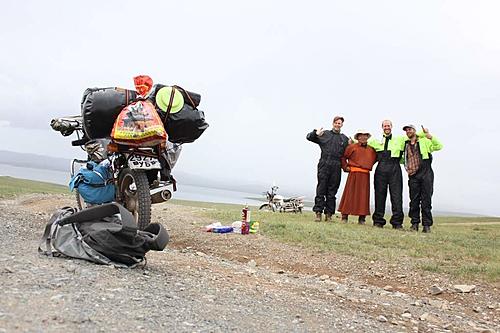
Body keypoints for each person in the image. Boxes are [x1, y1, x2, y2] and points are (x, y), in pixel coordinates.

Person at [307, 116, 349, 222]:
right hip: (324, 163)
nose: (337, 125)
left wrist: (352, 144)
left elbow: (349, 152)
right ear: (333, 123)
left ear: (342, 125)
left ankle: (329, 214)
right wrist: (315, 133)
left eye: (339, 123)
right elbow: (309, 137)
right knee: (321, 189)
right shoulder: (325, 134)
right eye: (336, 123)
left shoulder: (344, 138)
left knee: (332, 191)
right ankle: (318, 213)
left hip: (336, 166)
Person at [402, 125, 443, 233]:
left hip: (426, 172)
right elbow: (403, 159)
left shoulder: (425, 141)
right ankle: (414, 224)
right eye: (406, 130)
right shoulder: (405, 144)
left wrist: (429, 135)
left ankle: (426, 225)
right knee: (414, 200)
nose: (408, 131)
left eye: (410, 129)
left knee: (426, 199)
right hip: (413, 174)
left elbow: (439, 146)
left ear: (415, 131)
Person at [368, 120, 405, 229]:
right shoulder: (376, 141)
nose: (387, 127)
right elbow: (362, 142)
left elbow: (414, 136)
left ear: (392, 127)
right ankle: (378, 221)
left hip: (395, 167)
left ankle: (397, 223)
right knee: (379, 195)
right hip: (381, 168)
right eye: (385, 126)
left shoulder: (400, 139)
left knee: (396, 195)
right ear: (382, 127)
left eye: (388, 125)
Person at [338, 130, 377, 224]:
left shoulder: (371, 150)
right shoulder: (352, 147)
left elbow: (375, 159)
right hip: (354, 173)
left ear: (367, 137)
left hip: (365, 175)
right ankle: (344, 216)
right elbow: (343, 157)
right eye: (361, 136)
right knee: (349, 194)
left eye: (365, 136)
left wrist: (368, 165)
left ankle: (362, 218)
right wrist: (345, 167)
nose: (363, 138)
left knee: (363, 196)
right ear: (358, 137)